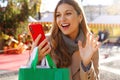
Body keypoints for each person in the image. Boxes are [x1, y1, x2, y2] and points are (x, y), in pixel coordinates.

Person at [31, 0, 100, 80]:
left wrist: (86, 64)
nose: (62, 19)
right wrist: (36, 59)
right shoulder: (46, 42)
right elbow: (31, 74)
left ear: (80, 17)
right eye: (58, 15)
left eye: (68, 13)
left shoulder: (90, 45)